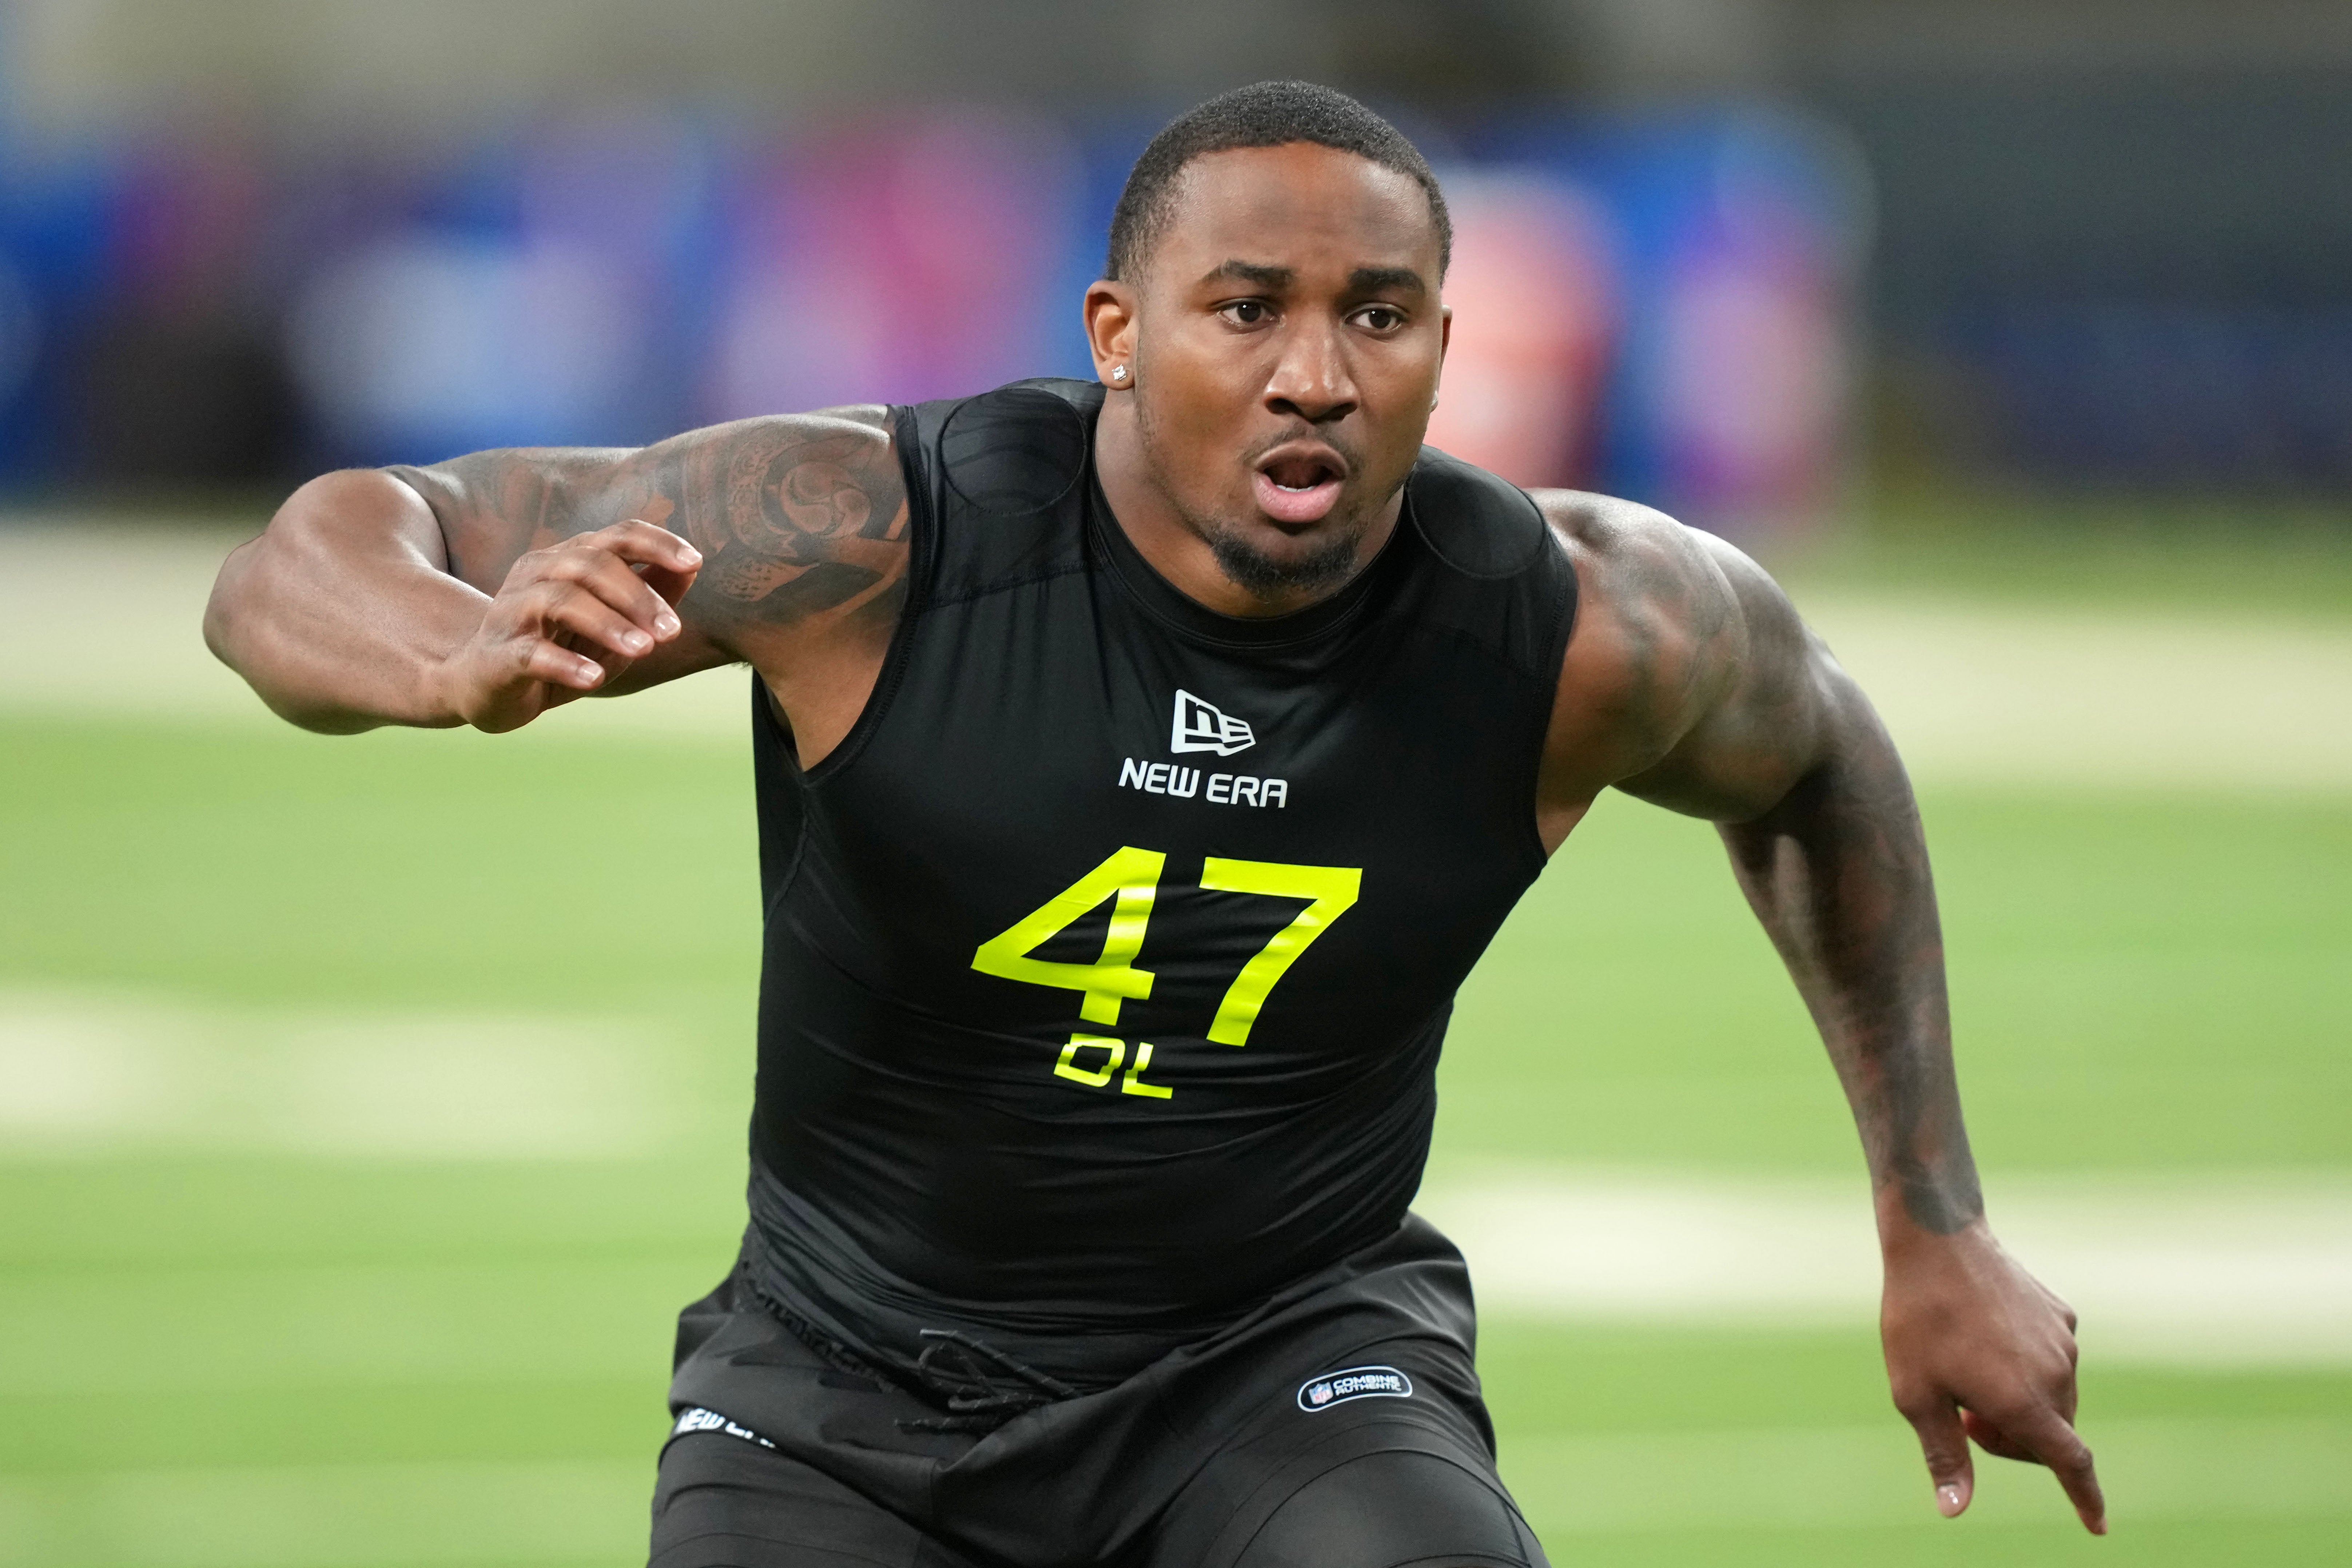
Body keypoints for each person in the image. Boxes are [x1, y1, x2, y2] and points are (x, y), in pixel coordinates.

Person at [207, 80, 2102, 1568]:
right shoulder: (877, 534)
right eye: (1246, 310)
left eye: (1376, 317)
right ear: (1117, 329)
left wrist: (1931, 1226)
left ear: (1443, 347)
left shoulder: (1575, 621)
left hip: (1277, 1365)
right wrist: (457, 649)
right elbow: (303, 560)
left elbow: (1814, 748)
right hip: (836, 1393)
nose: (1313, 374)